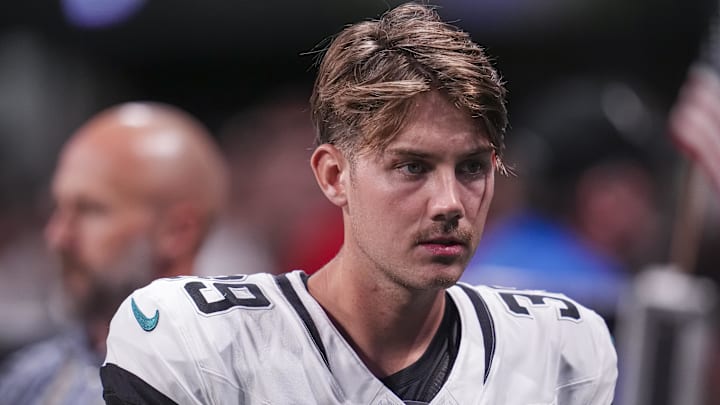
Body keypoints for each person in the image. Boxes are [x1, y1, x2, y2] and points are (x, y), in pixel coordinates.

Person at [100, 3, 617, 404]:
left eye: (472, 168)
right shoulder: (198, 340)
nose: (449, 203)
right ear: (333, 175)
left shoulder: (561, 347)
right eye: (412, 167)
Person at [0, 102, 228, 404]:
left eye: (91, 210)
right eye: (59, 207)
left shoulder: (237, 380)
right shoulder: (32, 381)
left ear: (178, 231)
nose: (57, 236)